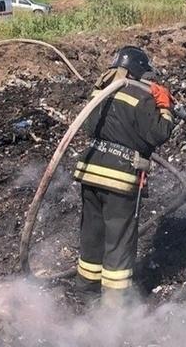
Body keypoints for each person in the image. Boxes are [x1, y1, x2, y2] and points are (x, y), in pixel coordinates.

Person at [73, 45, 177, 305]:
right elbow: (159, 132)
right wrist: (164, 106)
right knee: (119, 241)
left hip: (90, 173)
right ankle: (115, 305)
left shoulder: (100, 94)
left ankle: (87, 294)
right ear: (139, 70)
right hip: (120, 179)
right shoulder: (141, 98)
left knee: (92, 235)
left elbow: (88, 127)